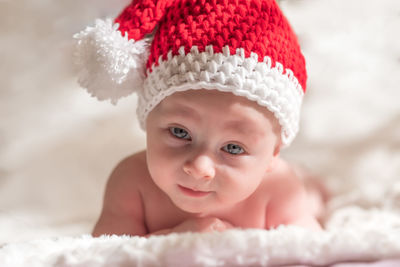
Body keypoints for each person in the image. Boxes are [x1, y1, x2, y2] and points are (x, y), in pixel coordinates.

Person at [74, 0, 325, 237]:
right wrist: (173, 240)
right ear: (147, 119)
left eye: (233, 148)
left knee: (313, 200)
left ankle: (314, 189)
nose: (199, 168)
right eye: (180, 132)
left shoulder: (277, 189)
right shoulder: (132, 182)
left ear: (272, 155)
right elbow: (107, 253)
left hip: (297, 187)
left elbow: (311, 247)